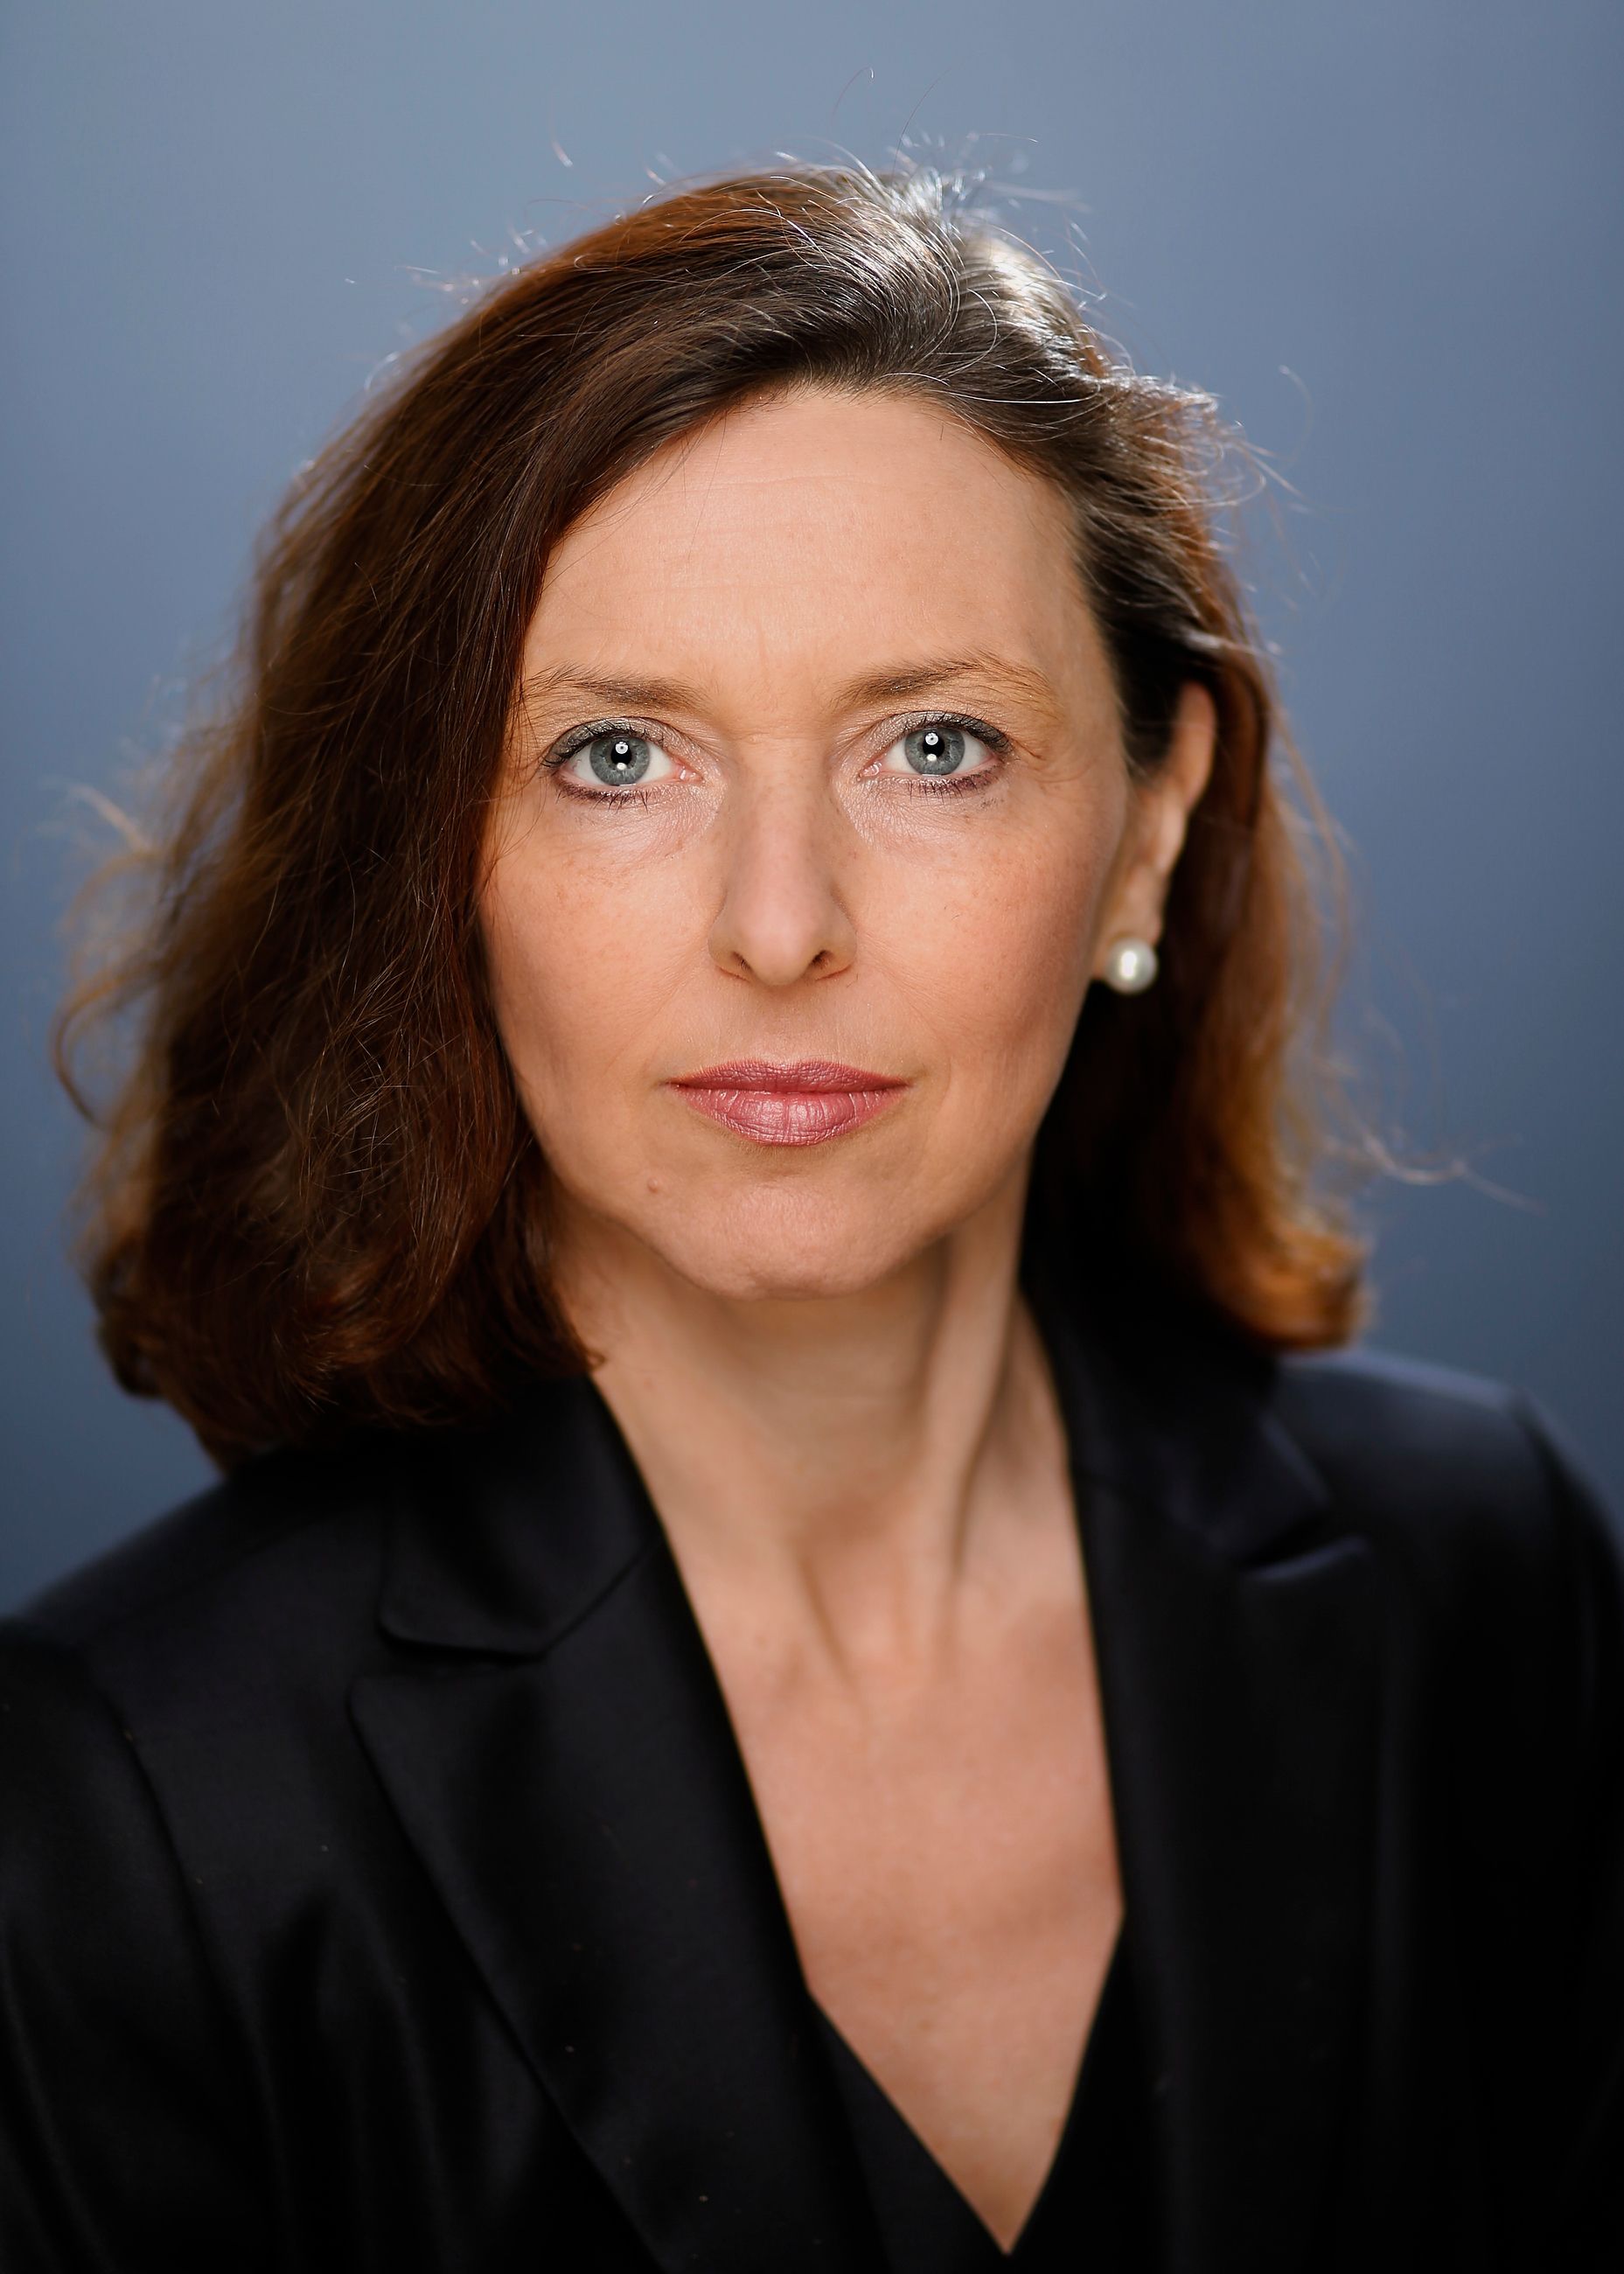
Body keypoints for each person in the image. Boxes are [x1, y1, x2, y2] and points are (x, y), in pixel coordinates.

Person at [1, 162, 1619, 2274]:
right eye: (615, 758)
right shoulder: (124, 1796)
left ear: (1148, 826)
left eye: (933, 747)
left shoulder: (1477, 1582)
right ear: (435, 856)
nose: (779, 928)